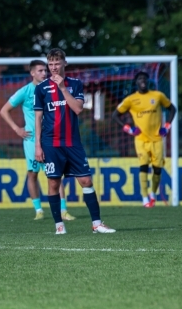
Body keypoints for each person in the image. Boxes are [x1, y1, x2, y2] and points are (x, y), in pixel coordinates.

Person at [34, 48, 115, 235]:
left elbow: (78, 109)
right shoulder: (41, 88)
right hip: (51, 143)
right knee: (53, 184)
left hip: (73, 143)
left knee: (86, 181)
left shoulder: (76, 84)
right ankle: (59, 226)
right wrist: (37, 145)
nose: (53, 67)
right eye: (50, 64)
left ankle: (96, 224)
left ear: (65, 64)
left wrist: (62, 88)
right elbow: (38, 118)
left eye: (57, 63)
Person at [0, 60, 76, 221]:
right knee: (32, 174)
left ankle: (63, 210)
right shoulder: (25, 91)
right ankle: (38, 210)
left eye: (45, 70)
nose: (44, 73)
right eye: (40, 70)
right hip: (31, 140)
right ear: (32, 73)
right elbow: (4, 110)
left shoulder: (52, 88)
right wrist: (17, 129)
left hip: (50, 139)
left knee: (55, 175)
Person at [112, 71, 177, 208]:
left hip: (157, 139)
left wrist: (167, 126)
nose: (142, 80)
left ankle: (153, 194)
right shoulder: (131, 99)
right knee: (143, 166)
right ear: (136, 82)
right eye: (140, 78)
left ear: (148, 81)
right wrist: (129, 129)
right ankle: (144, 197)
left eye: (144, 78)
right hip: (141, 139)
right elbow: (115, 115)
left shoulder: (157, 96)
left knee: (158, 169)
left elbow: (172, 109)